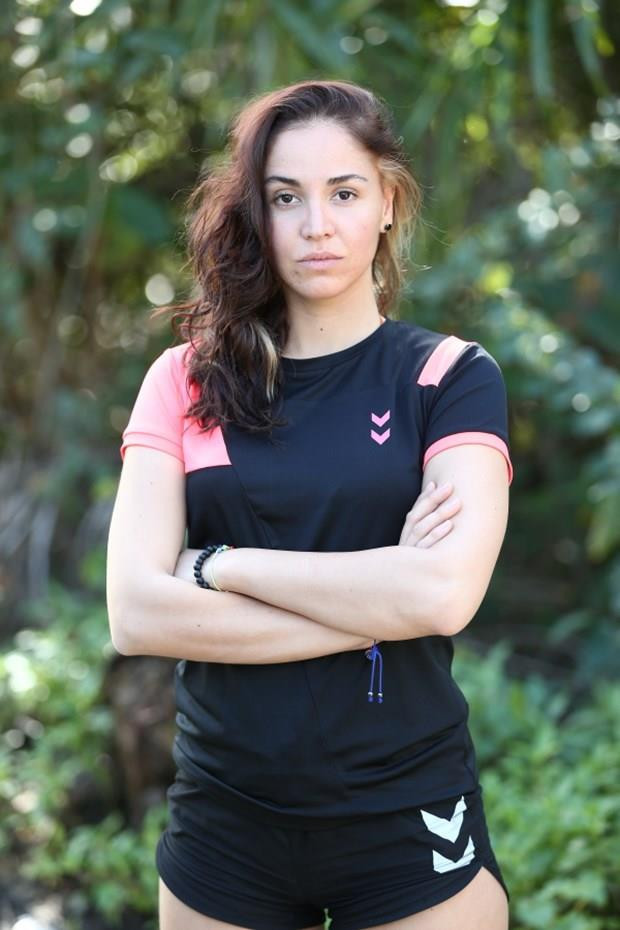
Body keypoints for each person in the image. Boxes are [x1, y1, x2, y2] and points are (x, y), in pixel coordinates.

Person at [106, 79, 513, 930]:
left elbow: (442, 596)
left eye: (345, 193)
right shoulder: (184, 380)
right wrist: (379, 606)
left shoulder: (448, 377)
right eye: (285, 197)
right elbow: (136, 614)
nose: (316, 224)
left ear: (389, 203)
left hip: (407, 809)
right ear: (255, 214)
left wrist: (219, 566)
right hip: (224, 821)